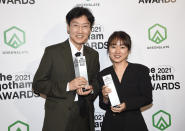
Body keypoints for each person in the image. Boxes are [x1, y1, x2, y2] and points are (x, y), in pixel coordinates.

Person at [32, 6, 100, 131]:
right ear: (68, 28)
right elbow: (38, 84)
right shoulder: (52, 52)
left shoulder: (93, 54)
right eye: (75, 25)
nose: (80, 31)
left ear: (90, 29)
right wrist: (68, 86)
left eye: (85, 26)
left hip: (85, 118)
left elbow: (96, 81)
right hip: (59, 119)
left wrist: (91, 89)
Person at [97, 31, 153, 131]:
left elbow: (147, 98)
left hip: (134, 124)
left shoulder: (140, 70)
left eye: (122, 47)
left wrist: (126, 105)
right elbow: (102, 105)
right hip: (111, 125)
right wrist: (105, 97)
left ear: (128, 50)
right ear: (108, 50)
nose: (117, 51)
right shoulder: (103, 74)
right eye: (113, 47)